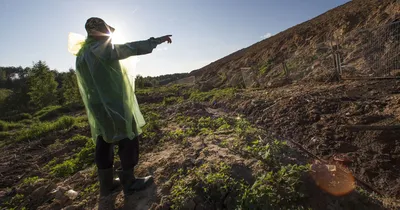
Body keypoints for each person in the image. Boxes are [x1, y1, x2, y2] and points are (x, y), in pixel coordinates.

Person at [74, 17, 172, 208]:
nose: (107, 33)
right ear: (97, 31)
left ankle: (107, 185)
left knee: (104, 139)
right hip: (114, 103)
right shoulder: (100, 49)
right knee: (128, 136)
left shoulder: (82, 53)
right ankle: (130, 183)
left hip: (97, 106)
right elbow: (130, 48)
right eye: (104, 29)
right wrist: (156, 41)